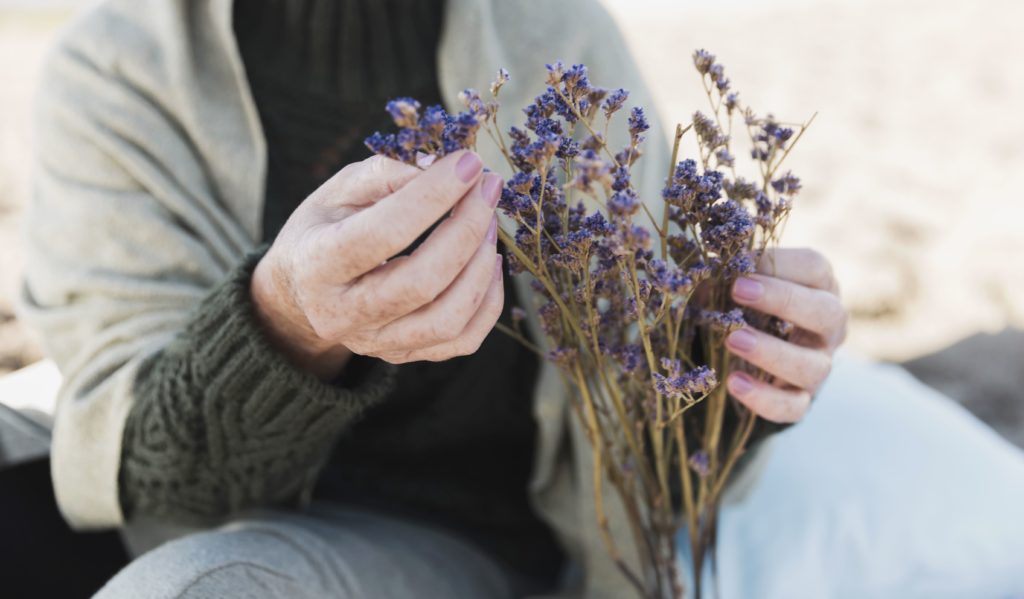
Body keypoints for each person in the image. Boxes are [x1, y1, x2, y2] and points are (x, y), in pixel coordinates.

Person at [20, 1, 848, 597]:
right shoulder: (117, 68)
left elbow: (634, 411)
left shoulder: (555, 33)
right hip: (209, 508)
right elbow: (142, 466)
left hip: (469, 532)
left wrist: (726, 368)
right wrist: (285, 323)